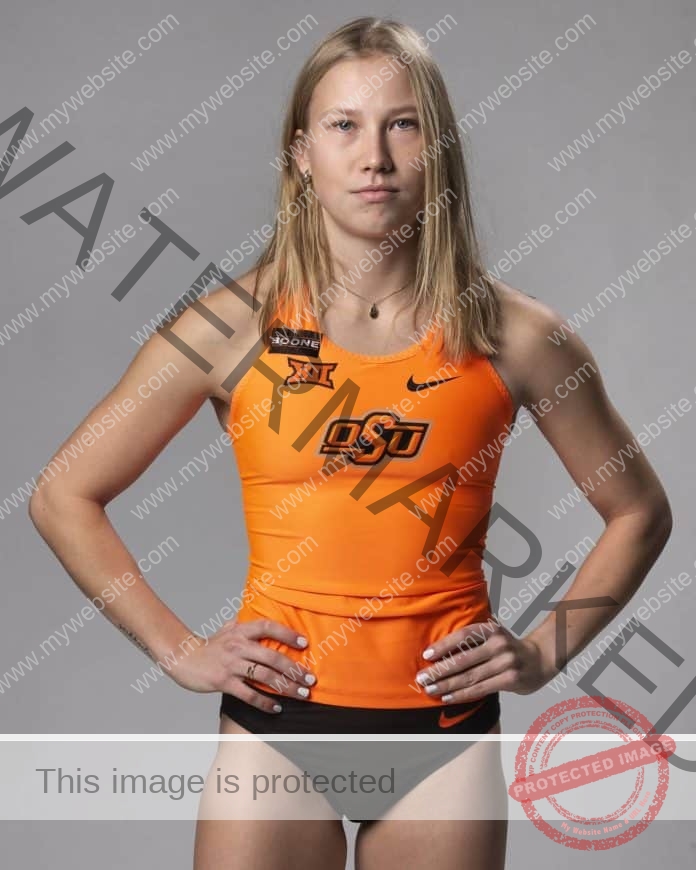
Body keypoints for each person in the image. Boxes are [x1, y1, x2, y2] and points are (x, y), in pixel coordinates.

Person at [29, 16, 673, 870]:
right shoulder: (231, 328)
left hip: (443, 736)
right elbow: (62, 494)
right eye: (344, 127)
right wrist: (180, 650)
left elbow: (638, 512)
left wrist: (542, 654)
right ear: (303, 155)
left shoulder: (516, 335)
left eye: (402, 125)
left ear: (435, 149)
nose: (375, 155)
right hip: (278, 731)